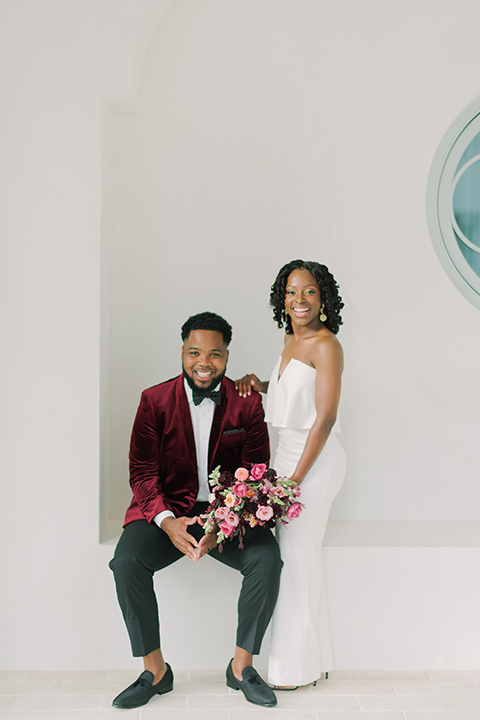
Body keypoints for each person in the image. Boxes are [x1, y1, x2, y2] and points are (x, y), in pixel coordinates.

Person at [109, 312, 282, 709]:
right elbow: (142, 472)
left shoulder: (247, 402)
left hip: (227, 512)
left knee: (267, 558)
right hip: (166, 512)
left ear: (227, 356)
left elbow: (256, 474)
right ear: (182, 351)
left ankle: (241, 668)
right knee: (127, 561)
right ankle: (155, 671)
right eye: (194, 352)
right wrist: (168, 523)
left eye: (215, 354)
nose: (204, 362)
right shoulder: (153, 400)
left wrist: (222, 526)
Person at [235, 260, 346, 689]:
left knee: (297, 560)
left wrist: (294, 481)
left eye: (309, 292)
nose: (299, 300)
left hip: (314, 462)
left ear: (323, 299)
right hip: (286, 457)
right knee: (299, 557)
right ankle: (317, 658)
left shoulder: (327, 345)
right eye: (291, 291)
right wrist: (258, 384)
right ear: (282, 298)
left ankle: (293, 669)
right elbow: (290, 391)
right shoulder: (288, 339)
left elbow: (325, 417)